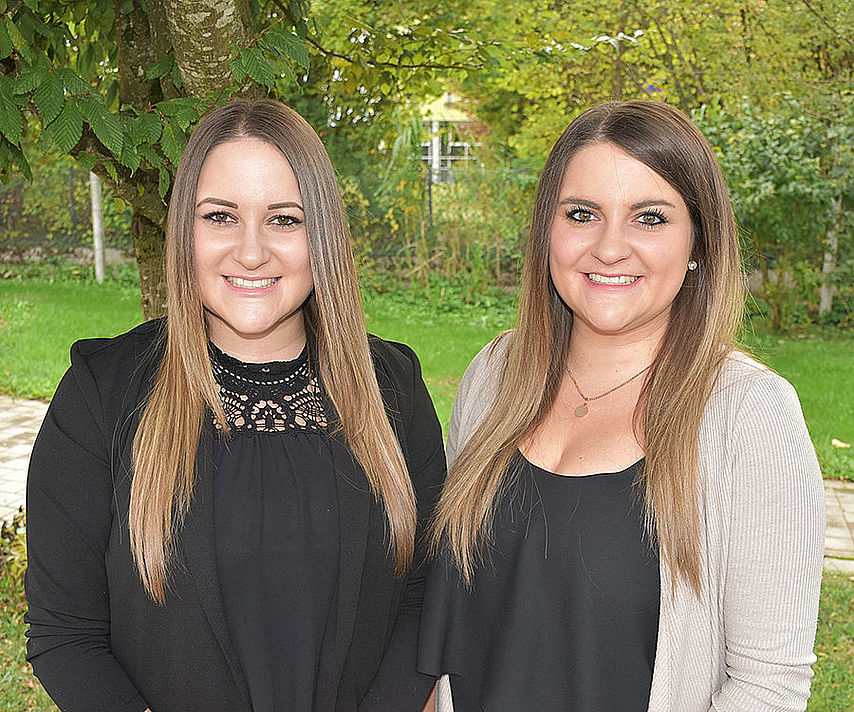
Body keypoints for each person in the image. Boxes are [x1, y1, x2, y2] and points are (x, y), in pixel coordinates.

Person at [25, 99, 444, 712]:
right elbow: (66, 633)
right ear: (184, 233)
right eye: (221, 216)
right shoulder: (102, 394)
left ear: (321, 238)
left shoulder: (394, 389)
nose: (251, 252)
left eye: (284, 219)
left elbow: (425, 598)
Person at [417, 100, 825, 712]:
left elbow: (769, 688)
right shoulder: (496, 376)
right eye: (582, 214)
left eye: (650, 218)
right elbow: (451, 634)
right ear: (547, 231)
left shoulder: (751, 415)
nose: (610, 248)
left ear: (699, 243)